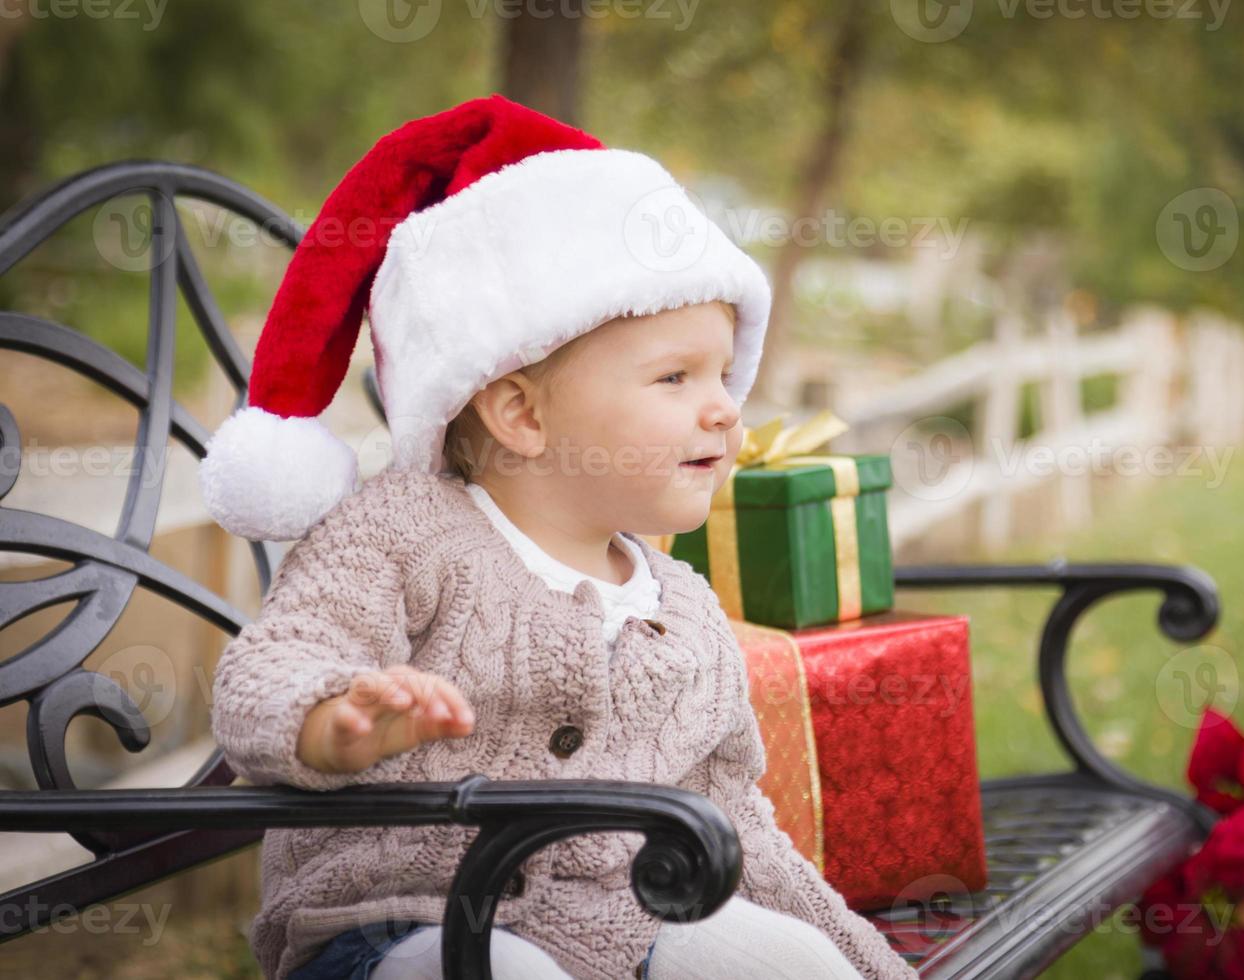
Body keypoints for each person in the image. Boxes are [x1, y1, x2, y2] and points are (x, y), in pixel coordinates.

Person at [201, 95, 918, 980]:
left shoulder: (683, 606)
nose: (725, 407)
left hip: (621, 922)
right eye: (674, 376)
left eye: (723, 372)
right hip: (395, 927)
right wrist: (331, 720)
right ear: (520, 413)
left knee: (794, 966)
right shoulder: (402, 532)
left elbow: (742, 833)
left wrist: (868, 965)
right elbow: (263, 668)